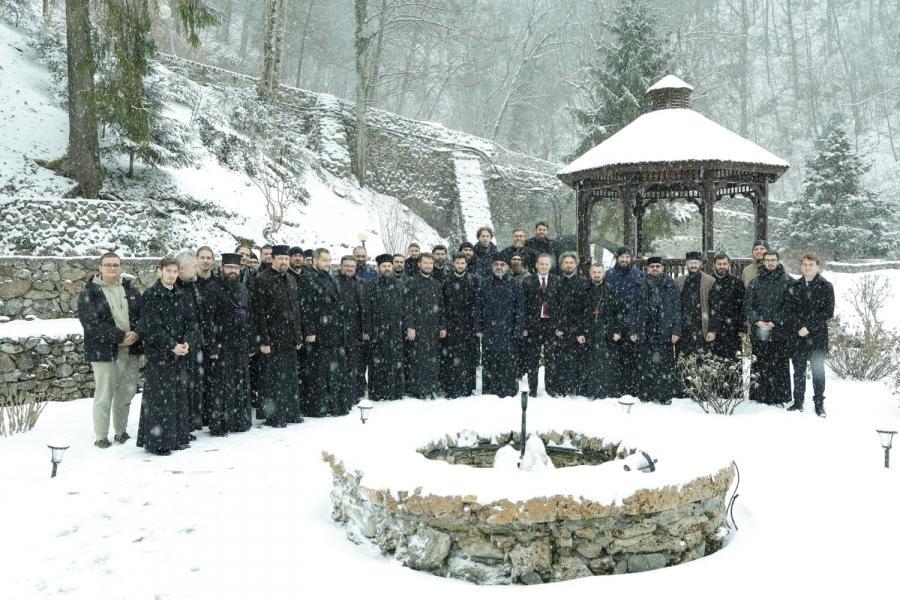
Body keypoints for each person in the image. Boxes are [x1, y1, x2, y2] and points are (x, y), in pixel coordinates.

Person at [78, 252, 143, 448]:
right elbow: (92, 324)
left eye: (115, 264)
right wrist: (120, 335)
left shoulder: (131, 291)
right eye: (108, 265)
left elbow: (144, 316)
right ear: (100, 267)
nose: (112, 268)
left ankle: (121, 432)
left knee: (125, 395)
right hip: (104, 351)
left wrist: (137, 333)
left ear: (120, 267)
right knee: (104, 395)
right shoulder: (89, 294)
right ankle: (101, 436)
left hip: (131, 350)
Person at [136, 257, 195, 456]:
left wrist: (186, 342)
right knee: (160, 399)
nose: (171, 275)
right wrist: (171, 346)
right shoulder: (151, 295)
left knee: (178, 396)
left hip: (180, 354)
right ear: (160, 271)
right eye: (168, 271)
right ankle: (159, 442)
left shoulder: (181, 294)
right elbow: (153, 328)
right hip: (159, 355)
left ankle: (177, 438)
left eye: (174, 271)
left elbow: (190, 322)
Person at [251, 245, 304, 426]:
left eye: (286, 259)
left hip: (289, 338)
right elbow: (259, 312)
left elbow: (295, 309)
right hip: (272, 338)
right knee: (272, 379)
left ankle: (291, 412)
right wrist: (264, 340)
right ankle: (274, 416)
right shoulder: (262, 279)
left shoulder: (291, 279)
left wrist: (298, 336)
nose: (284, 262)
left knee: (289, 378)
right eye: (280, 258)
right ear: (273, 259)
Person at [206, 253, 254, 435]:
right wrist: (213, 345)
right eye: (229, 267)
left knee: (240, 382)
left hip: (240, 343)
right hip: (222, 344)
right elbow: (208, 320)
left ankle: (240, 421)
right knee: (222, 385)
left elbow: (248, 315)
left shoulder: (242, 288)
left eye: (235, 267)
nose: (233, 271)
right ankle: (222, 423)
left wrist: (251, 342)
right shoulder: (212, 288)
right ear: (222, 268)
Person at [298, 248, 348, 416]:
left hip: (333, 331)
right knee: (318, 372)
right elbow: (306, 307)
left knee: (332, 371)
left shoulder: (329, 277)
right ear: (314, 261)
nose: (328, 264)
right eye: (324, 260)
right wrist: (310, 330)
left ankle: (333, 404)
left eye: (329, 260)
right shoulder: (307, 279)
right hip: (318, 332)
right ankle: (318, 406)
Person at [784, 253, 835, 417]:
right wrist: (799, 327)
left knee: (818, 371)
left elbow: (827, 312)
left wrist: (809, 327)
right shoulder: (794, 286)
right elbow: (789, 311)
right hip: (797, 336)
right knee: (798, 371)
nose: (807, 267)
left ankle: (819, 403)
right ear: (801, 266)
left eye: (811, 265)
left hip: (817, 336)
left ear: (818, 266)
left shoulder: (826, 286)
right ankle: (798, 401)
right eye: (805, 264)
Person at [744, 249, 792, 405]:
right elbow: (748, 305)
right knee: (760, 363)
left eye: (773, 260)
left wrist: (775, 321)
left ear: (778, 261)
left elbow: (790, 306)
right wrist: (757, 321)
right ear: (763, 262)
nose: (770, 263)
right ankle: (760, 396)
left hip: (780, 331)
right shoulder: (755, 282)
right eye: (768, 260)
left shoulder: (787, 281)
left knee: (780, 365)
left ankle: (780, 396)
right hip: (759, 331)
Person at [474, 254, 525, 397]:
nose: (499, 267)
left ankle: (508, 390)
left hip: (509, 331)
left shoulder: (515, 284)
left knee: (508, 362)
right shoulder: (484, 283)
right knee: (490, 361)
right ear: (492, 267)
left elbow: (520, 308)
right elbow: (478, 307)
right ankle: (490, 391)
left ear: (507, 267)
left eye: (502, 264)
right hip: (489, 330)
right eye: (496, 264)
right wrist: (478, 326)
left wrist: (518, 329)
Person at [638, 257, 681, 405]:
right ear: (648, 268)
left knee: (665, 364)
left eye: (657, 266)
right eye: (652, 266)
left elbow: (677, 309)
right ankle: (647, 394)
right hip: (647, 329)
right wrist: (634, 330)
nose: (655, 268)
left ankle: (664, 394)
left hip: (665, 329)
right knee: (646, 363)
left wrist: (676, 330)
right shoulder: (641, 284)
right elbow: (634, 308)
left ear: (662, 268)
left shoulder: (670, 284)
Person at [363, 255, 406, 401]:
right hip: (377, 330)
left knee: (394, 361)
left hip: (395, 329)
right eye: (384, 266)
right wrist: (367, 329)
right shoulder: (371, 285)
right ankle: (378, 392)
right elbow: (366, 310)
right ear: (378, 268)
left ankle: (394, 392)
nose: (387, 269)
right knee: (377, 362)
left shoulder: (399, 284)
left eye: (389, 266)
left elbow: (405, 308)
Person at [403, 253, 446, 398]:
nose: (428, 266)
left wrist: (442, 326)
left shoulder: (436, 284)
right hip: (417, 327)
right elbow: (408, 307)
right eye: (425, 263)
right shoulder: (411, 282)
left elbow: (441, 307)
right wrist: (410, 327)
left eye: (430, 263)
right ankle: (418, 388)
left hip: (433, 327)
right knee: (418, 359)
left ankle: (431, 386)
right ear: (419, 264)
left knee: (433, 358)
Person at [604, 246, 645, 396]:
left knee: (632, 359)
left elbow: (641, 302)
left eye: (627, 257)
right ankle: (616, 388)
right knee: (614, 358)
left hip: (632, 323)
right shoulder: (609, 275)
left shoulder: (638, 275)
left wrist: (635, 327)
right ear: (617, 258)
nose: (625, 260)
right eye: (622, 257)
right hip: (614, 323)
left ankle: (631, 389)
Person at [581, 263, 625, 399]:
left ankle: (607, 391)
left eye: (599, 272)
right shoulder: (584, 290)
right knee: (591, 363)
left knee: (607, 363)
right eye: (594, 272)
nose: (596, 275)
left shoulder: (611, 289)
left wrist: (618, 331)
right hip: (589, 331)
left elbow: (619, 312)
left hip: (607, 331)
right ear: (590, 274)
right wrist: (580, 332)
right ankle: (591, 391)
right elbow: (577, 312)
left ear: (603, 274)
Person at [549, 252, 589, 396]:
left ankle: (577, 389)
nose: (569, 265)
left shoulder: (584, 283)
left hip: (579, 329)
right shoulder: (555, 283)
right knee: (561, 360)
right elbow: (553, 307)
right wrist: (558, 326)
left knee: (578, 360)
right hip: (561, 329)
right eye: (566, 262)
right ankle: (562, 389)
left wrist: (581, 330)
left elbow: (586, 308)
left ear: (576, 264)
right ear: (561, 265)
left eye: (571, 262)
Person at [174, 251, 206, 433]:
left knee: (192, 386)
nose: (196, 269)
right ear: (181, 268)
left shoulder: (191, 285)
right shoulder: (176, 288)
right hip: (181, 345)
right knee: (182, 387)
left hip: (193, 342)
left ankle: (189, 424)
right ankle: (182, 426)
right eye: (193, 266)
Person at [441, 252, 479, 397]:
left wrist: (476, 323)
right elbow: (442, 304)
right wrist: (444, 324)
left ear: (466, 264)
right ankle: (451, 388)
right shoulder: (446, 280)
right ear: (453, 264)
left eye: (463, 263)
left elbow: (477, 303)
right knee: (451, 356)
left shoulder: (474, 280)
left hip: (469, 325)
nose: (460, 265)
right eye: (458, 263)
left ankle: (468, 388)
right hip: (452, 324)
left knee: (468, 356)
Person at [521, 254, 558, 397]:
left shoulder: (557, 281)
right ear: (536, 265)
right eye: (541, 264)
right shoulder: (527, 281)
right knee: (532, 358)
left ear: (550, 266)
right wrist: (524, 326)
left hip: (551, 324)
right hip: (533, 324)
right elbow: (523, 305)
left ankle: (550, 388)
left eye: (546, 264)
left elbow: (561, 304)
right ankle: (533, 389)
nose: (544, 267)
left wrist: (559, 325)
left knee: (551, 357)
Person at [336, 255, 367, 406]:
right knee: (341, 364)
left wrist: (364, 329)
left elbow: (364, 308)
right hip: (338, 330)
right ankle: (342, 395)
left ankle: (354, 393)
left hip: (356, 330)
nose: (349, 269)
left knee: (355, 364)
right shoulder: (335, 282)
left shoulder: (360, 283)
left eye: (352, 266)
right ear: (341, 266)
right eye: (346, 266)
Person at [675, 251, 715, 361]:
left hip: (702, 328)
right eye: (690, 262)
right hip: (684, 330)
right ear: (686, 264)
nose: (693, 265)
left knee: (702, 361)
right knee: (683, 362)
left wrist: (712, 329)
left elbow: (714, 308)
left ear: (701, 264)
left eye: (696, 262)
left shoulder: (710, 281)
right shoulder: (679, 282)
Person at [707, 252, 745, 361]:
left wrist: (742, 328)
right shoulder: (709, 282)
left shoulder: (737, 283)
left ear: (729, 265)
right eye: (719, 264)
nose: (722, 266)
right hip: (713, 330)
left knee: (733, 364)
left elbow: (742, 307)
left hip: (732, 330)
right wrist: (711, 328)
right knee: (713, 364)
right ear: (714, 265)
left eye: (724, 264)